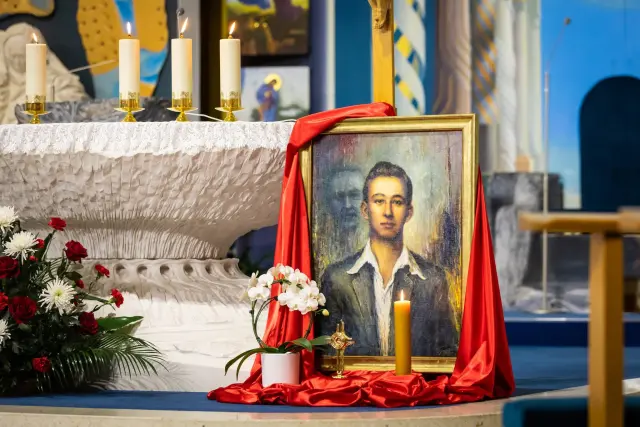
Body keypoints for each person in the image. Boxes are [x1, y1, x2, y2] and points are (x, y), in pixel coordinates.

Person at [318, 161, 458, 357]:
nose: (388, 212)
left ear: (409, 212)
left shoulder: (432, 280)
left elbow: (448, 353)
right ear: (365, 210)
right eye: (379, 201)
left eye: (397, 202)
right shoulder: (337, 279)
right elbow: (325, 352)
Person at [323, 165, 365, 254]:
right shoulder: (323, 250)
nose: (347, 205)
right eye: (339, 197)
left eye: (354, 195)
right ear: (329, 204)